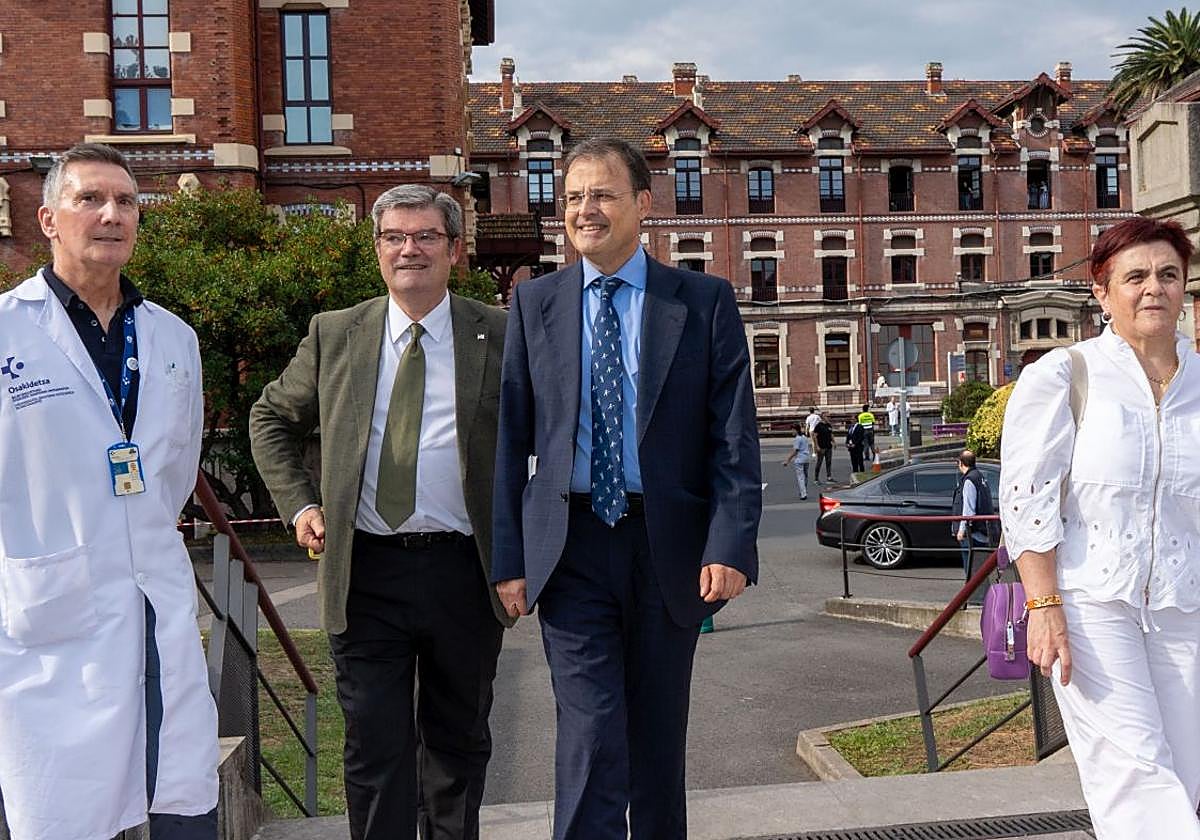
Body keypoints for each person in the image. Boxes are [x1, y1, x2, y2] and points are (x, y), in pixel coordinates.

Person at [491, 137, 761, 840]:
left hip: (669, 550)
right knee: (589, 734)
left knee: (656, 738)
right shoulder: (534, 304)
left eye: (602, 195)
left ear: (644, 204)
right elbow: (509, 439)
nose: (585, 209)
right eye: (573, 196)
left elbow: (733, 441)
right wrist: (508, 558)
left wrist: (730, 543)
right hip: (572, 547)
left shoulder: (702, 303)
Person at [250, 185, 511, 840]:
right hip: (365, 575)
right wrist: (299, 503)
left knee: (458, 743)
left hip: (465, 572)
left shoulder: (500, 332)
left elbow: (541, 441)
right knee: (375, 748)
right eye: (394, 236)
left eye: (425, 236)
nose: (409, 249)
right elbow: (270, 418)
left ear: (454, 249)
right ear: (377, 249)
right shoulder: (337, 333)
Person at [0, 143, 218, 839]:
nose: (111, 214)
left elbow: (177, 468)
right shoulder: (8, 330)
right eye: (89, 199)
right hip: (46, 612)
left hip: (153, 595)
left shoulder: (172, 338)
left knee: (179, 792)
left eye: (125, 201)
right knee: (61, 811)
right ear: (48, 220)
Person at [1000, 217, 1200, 839]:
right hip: (1089, 605)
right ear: (1101, 290)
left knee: (1184, 777)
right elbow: (1026, 500)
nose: (1153, 289)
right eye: (1135, 276)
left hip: (1184, 605)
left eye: (1168, 275)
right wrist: (1044, 604)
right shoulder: (1064, 375)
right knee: (1135, 776)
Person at [951, 449, 993, 579]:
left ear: (961, 463)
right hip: (983, 529)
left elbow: (968, 509)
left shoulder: (969, 480)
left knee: (971, 566)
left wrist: (962, 530)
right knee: (979, 566)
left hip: (973, 532)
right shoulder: (979, 476)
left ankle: (974, 595)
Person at [782, 422, 811, 500]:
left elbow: (795, 451)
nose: (792, 432)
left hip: (800, 459)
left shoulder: (797, 439)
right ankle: (803, 490)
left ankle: (803, 493)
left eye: (792, 430)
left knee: (800, 477)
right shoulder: (804, 437)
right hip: (807, 458)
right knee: (805, 476)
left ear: (796, 430)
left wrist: (787, 460)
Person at [813, 414, 835, 482]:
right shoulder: (819, 426)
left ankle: (829, 476)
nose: (828, 418)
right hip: (821, 446)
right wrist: (817, 446)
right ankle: (816, 477)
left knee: (828, 462)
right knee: (819, 462)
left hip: (828, 446)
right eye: (826, 416)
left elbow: (831, 434)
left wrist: (834, 441)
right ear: (823, 418)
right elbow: (815, 436)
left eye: (828, 416)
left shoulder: (829, 425)